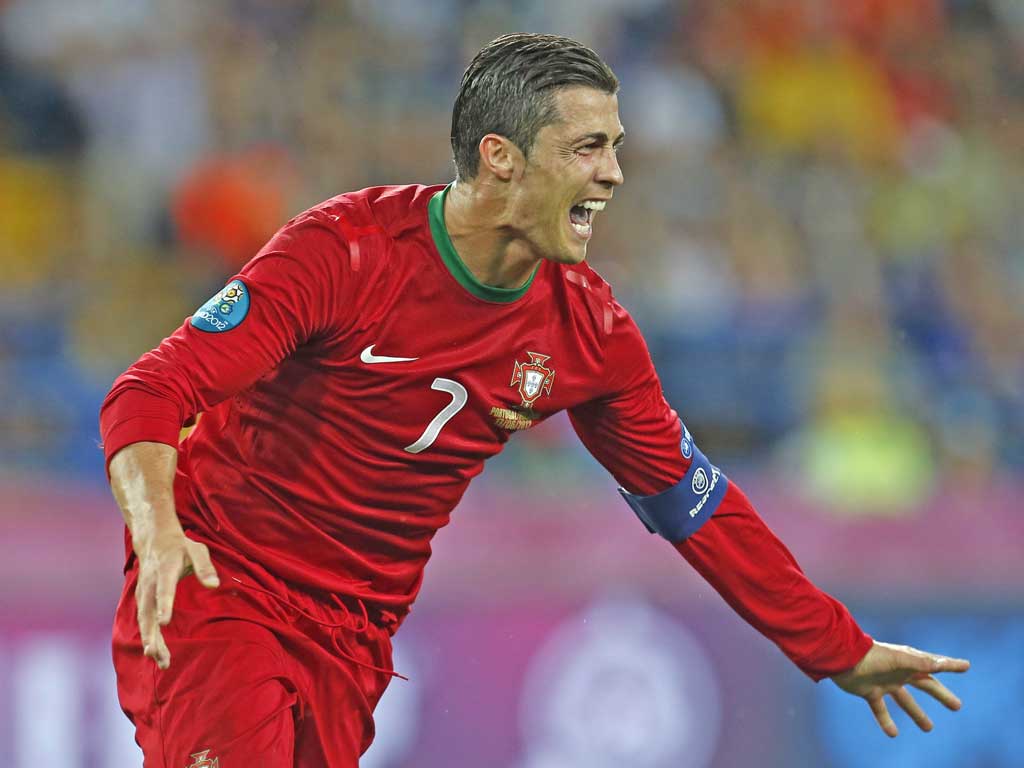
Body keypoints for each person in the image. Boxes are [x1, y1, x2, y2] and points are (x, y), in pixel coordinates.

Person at [101, 33, 969, 767]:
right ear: (500, 157)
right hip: (218, 582)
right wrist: (159, 531)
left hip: (354, 637)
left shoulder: (588, 334)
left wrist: (835, 647)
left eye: (616, 146)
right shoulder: (348, 251)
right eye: (588, 148)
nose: (617, 175)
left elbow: (695, 509)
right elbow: (148, 391)